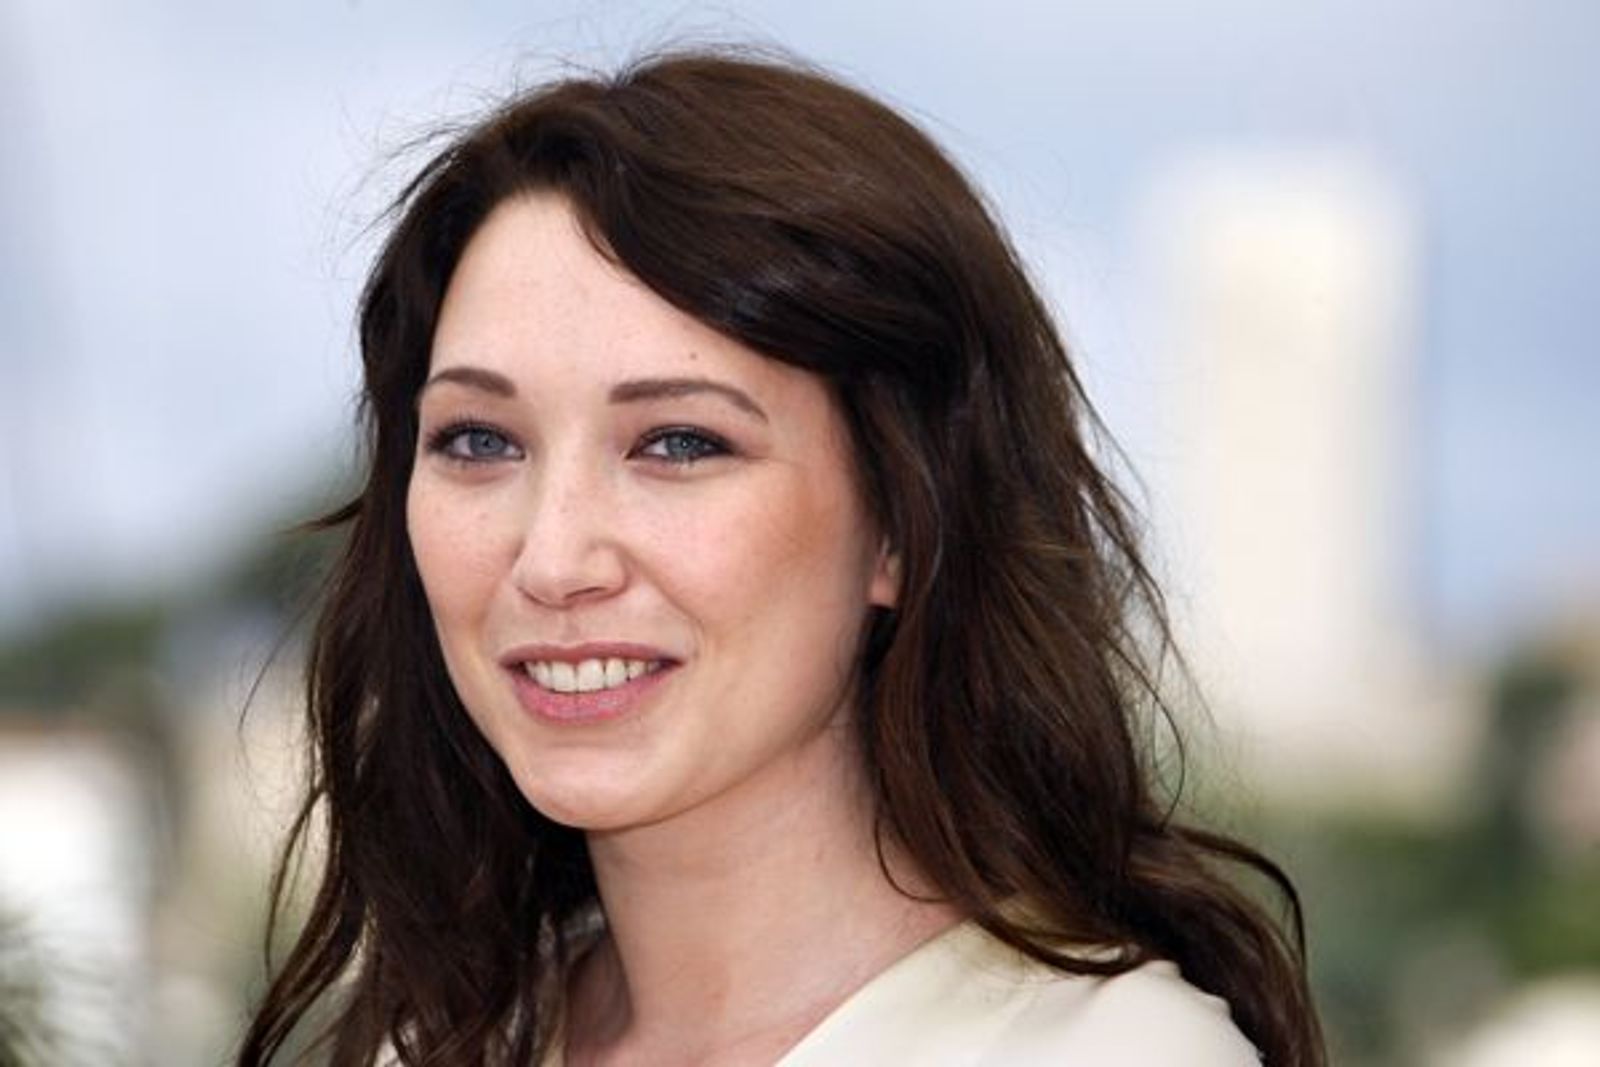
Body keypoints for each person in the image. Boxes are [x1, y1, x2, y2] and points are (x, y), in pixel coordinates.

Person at [239, 49, 1323, 1066]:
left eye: (678, 443)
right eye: (479, 439)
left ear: (903, 520)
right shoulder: (443, 1043)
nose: (553, 555)